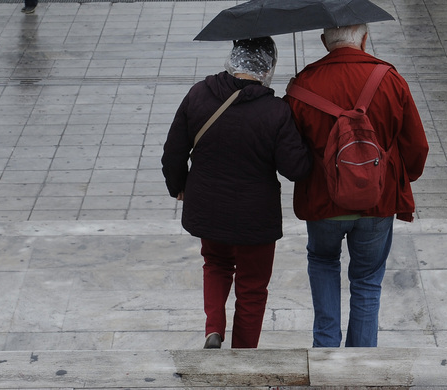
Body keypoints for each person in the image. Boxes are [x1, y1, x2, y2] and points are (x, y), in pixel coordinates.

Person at [161, 37, 311, 350]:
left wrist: (178, 186)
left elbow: (173, 151)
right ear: (268, 68)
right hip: (255, 217)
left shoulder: (199, 94)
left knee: (215, 265)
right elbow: (295, 168)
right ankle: (243, 355)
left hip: (207, 206)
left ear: (233, 60)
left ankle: (213, 328)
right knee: (252, 287)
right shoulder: (275, 111)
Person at [286, 23, 429, 348]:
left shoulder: (303, 85)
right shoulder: (391, 80)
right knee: (366, 283)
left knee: (323, 263)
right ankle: (361, 368)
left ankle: (325, 354)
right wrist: (397, 178)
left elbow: (291, 157)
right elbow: (417, 147)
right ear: (364, 39)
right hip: (376, 204)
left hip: (323, 205)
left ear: (324, 42)